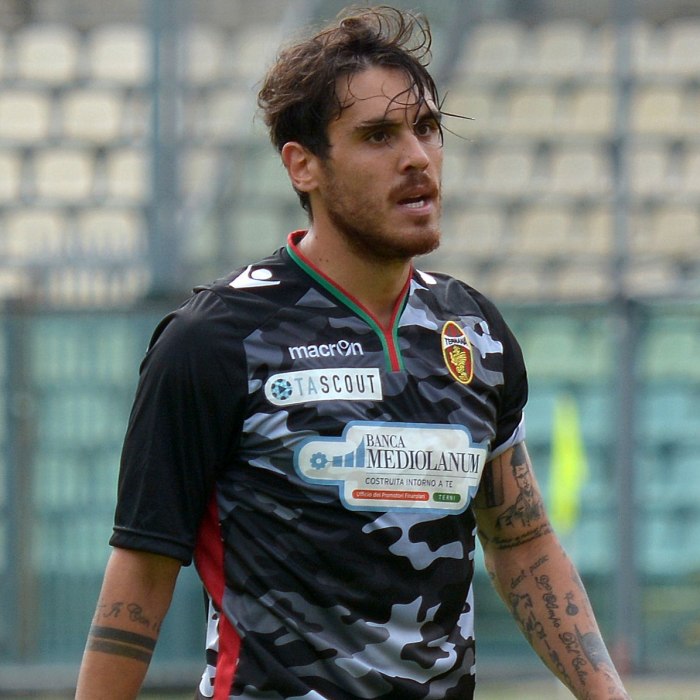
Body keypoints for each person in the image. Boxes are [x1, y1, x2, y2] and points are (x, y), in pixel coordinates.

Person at [75, 6, 631, 699]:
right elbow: (141, 570)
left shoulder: (473, 332)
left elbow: (521, 542)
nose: (416, 157)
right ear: (303, 165)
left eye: (426, 128)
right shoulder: (215, 339)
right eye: (377, 136)